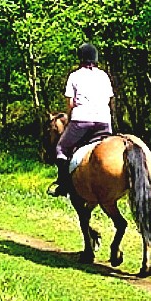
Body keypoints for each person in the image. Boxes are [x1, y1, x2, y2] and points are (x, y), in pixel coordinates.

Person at [48, 42, 115, 197]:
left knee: (61, 148)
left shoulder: (75, 76)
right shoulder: (104, 75)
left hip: (81, 121)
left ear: (80, 58)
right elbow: (109, 99)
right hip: (104, 122)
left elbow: (70, 103)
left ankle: (63, 184)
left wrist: (71, 118)